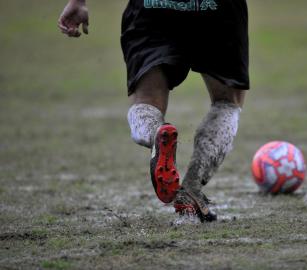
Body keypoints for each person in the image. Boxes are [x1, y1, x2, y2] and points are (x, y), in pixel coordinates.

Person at [58, 0, 249, 222]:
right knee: (227, 102)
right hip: (217, 8)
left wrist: (77, 2)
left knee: (146, 101)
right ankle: (191, 189)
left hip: (153, 7)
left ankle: (157, 132)